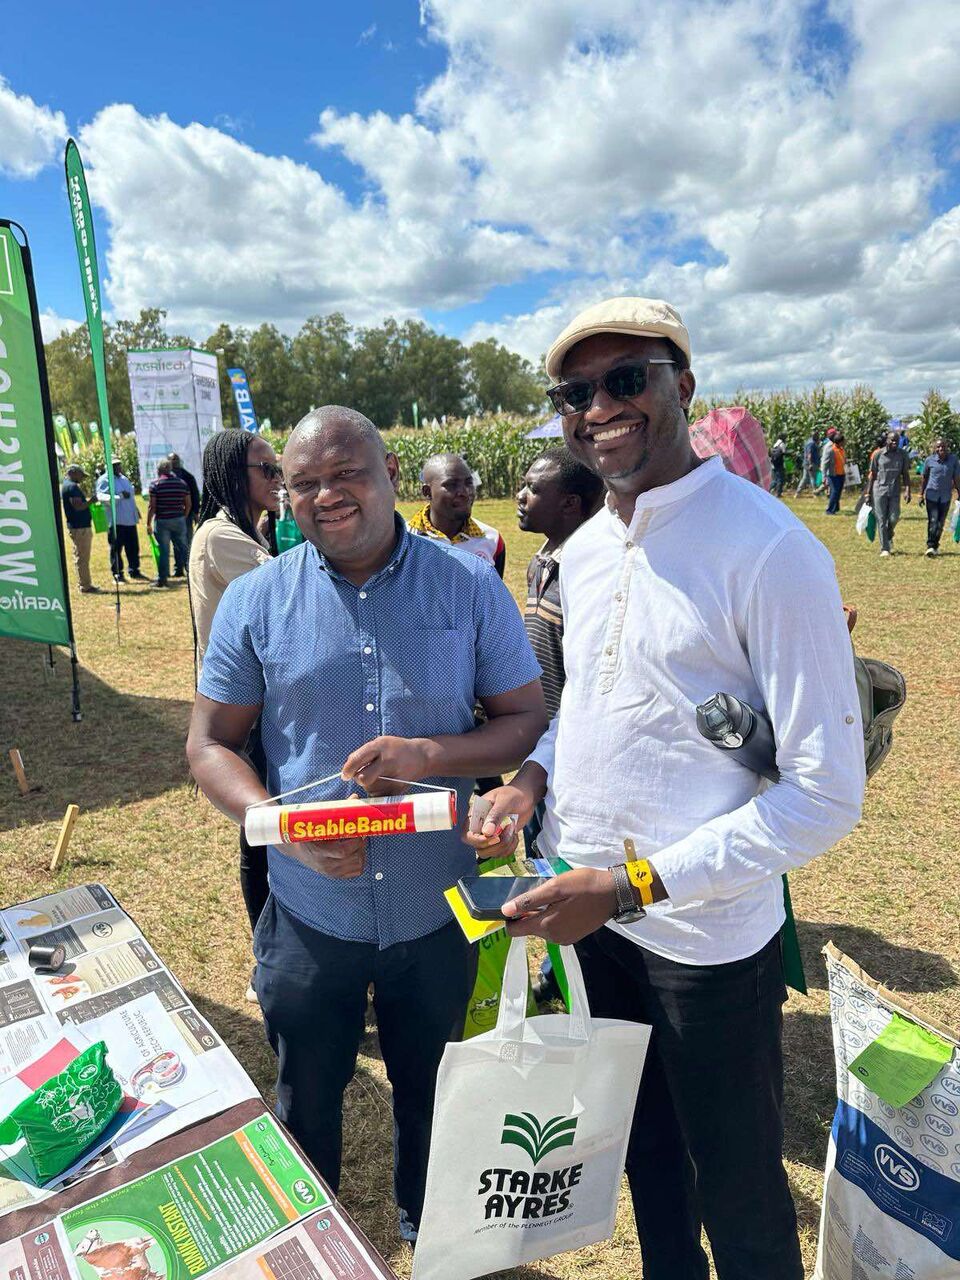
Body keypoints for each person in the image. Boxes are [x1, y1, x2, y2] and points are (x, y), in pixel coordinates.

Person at [468, 297, 865, 1280]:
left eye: (625, 379)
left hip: (704, 941)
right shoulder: (582, 551)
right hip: (590, 920)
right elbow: (592, 704)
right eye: (575, 392)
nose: (599, 406)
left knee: (741, 1193)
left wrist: (630, 885)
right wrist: (532, 777)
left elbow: (824, 793)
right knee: (646, 1164)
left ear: (682, 384)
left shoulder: (770, 550)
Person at [186, 407, 546, 1244]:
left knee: (434, 1092)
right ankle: (314, 1244)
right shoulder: (257, 600)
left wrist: (431, 751)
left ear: (390, 475)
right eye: (303, 482)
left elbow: (524, 719)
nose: (326, 495)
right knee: (306, 1097)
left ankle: (431, 1232)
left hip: (437, 906)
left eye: (346, 473)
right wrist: (277, 825)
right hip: (311, 911)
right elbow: (210, 743)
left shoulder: (468, 587)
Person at [189, 429, 282, 1002]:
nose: (278, 479)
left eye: (278, 469)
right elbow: (293, 589)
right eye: (266, 470)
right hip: (243, 709)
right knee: (263, 833)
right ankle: (267, 962)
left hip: (263, 701)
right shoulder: (221, 537)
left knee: (269, 832)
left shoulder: (250, 532)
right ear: (232, 474)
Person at [409, 453, 506, 576]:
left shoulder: (492, 541)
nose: (464, 492)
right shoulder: (403, 539)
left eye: (469, 483)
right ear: (427, 492)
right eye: (451, 485)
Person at [97, 460, 145, 582]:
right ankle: (118, 574)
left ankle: (134, 570)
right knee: (116, 549)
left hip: (129, 520)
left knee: (133, 547)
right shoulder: (104, 480)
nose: (118, 467)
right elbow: (102, 497)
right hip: (116, 521)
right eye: (115, 465)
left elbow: (131, 497)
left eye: (119, 464)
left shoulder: (124, 479)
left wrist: (135, 510)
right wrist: (120, 496)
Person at [146, 460, 191, 588]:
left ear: (159, 470)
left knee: (164, 551)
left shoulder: (155, 484)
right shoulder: (182, 483)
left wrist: (148, 523)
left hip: (162, 521)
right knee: (184, 549)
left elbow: (152, 507)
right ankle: (192, 575)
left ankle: (162, 579)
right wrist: (183, 516)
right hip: (179, 519)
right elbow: (188, 504)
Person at [867, 430, 911, 557]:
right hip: (879, 490)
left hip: (894, 490)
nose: (894, 442)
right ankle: (884, 548)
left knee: (894, 517)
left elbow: (905, 474)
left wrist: (907, 490)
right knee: (881, 519)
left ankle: (889, 533)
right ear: (887, 440)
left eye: (896, 440)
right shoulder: (878, 454)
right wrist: (868, 494)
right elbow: (872, 475)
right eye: (892, 440)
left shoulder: (902, 455)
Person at [59, 465, 100, 593]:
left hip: (76, 526)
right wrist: (91, 501)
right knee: (82, 557)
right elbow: (78, 506)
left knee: (80, 555)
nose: (82, 478)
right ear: (73, 472)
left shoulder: (66, 485)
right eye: (81, 475)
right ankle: (85, 585)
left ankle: (83, 583)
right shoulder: (72, 487)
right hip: (80, 527)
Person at [919, 437, 960, 556]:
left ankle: (935, 545)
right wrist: (921, 494)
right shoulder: (929, 460)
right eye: (938, 447)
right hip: (931, 495)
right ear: (934, 448)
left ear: (947, 448)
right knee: (933, 521)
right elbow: (924, 478)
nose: (941, 449)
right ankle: (930, 545)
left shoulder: (953, 460)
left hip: (945, 496)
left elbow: (957, 478)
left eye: (943, 446)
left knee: (940, 523)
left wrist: (959, 492)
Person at [168, 452, 201, 543]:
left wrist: (195, 512)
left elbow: (195, 494)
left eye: (176, 459)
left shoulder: (188, 476)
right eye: (172, 460)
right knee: (177, 541)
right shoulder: (166, 478)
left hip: (186, 513)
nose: (174, 461)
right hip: (171, 515)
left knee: (187, 539)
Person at [824, 429, 846, 514]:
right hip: (833, 475)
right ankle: (829, 510)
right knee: (834, 492)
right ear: (839, 442)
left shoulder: (841, 449)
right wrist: (824, 476)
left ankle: (835, 508)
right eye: (843, 441)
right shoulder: (831, 450)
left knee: (838, 492)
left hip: (841, 474)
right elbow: (825, 463)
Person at [794, 430, 819, 497]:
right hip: (811, 463)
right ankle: (815, 493)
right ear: (814, 436)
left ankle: (798, 493)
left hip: (806, 463)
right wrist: (810, 464)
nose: (818, 437)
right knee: (812, 478)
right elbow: (809, 454)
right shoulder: (811, 443)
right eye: (817, 435)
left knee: (804, 478)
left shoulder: (808, 441)